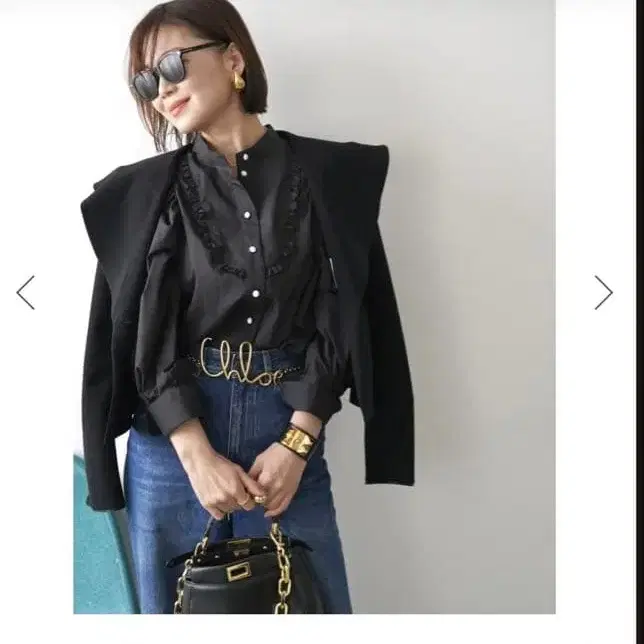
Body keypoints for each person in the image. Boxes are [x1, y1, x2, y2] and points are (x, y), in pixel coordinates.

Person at [80, 0, 414, 614]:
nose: (162, 90)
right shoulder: (140, 194)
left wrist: (298, 440)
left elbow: (342, 315)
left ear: (233, 59)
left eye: (172, 65)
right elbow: (141, 337)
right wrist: (193, 452)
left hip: (285, 435)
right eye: (146, 81)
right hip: (174, 445)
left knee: (309, 605)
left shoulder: (329, 177)